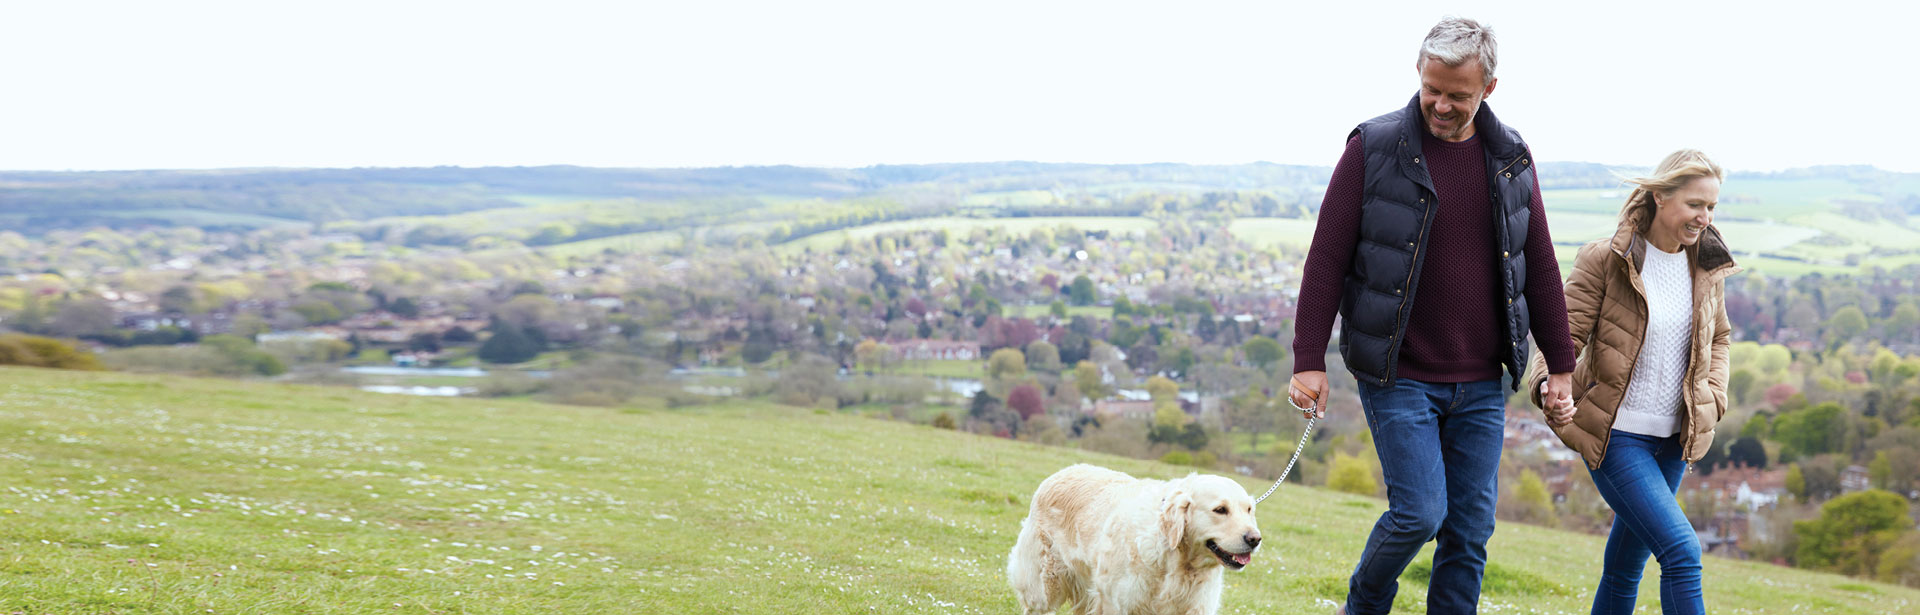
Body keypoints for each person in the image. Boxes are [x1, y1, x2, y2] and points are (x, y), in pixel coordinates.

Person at [1288, 17, 1576, 615]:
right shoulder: (1373, 147)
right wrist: (1307, 360)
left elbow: (1540, 262)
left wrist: (1563, 367)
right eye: (1431, 89)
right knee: (1419, 512)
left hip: (1481, 380)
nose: (1440, 105)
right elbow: (1326, 258)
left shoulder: (1511, 156)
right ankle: (1365, 601)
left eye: (1458, 95)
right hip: (1399, 372)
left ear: (1489, 88)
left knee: (1469, 533)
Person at [1525, 149, 1737, 615]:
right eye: (1695, 204)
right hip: (1617, 437)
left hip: (1673, 439)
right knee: (1682, 552)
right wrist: (1548, 385)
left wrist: (1713, 396)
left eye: (1712, 208)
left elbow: (1719, 337)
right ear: (1661, 197)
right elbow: (1562, 334)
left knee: (1624, 568)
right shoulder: (1607, 259)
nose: (1704, 218)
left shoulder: (1706, 266)